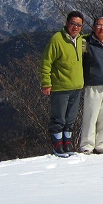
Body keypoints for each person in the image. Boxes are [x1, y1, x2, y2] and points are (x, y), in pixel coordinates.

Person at [40, 11, 85, 157]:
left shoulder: (81, 40)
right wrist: (46, 83)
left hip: (76, 86)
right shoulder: (57, 39)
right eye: (73, 23)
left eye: (79, 25)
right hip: (60, 87)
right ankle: (57, 145)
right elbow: (46, 62)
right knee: (58, 118)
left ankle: (67, 143)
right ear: (66, 23)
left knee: (70, 119)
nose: (75, 27)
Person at [80, 16, 103, 154]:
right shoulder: (87, 42)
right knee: (91, 116)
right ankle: (87, 145)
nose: (102, 28)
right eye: (99, 25)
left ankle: (100, 144)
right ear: (94, 27)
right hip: (93, 84)